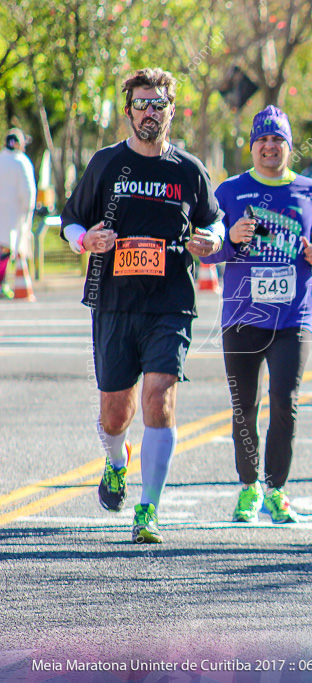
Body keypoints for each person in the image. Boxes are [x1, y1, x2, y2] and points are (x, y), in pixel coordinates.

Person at [60, 67, 224, 543]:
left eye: (159, 104)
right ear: (128, 111)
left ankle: (148, 509)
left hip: (170, 302)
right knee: (116, 412)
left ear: (172, 110)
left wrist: (209, 241)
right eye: (141, 104)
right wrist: (85, 240)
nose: (150, 112)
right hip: (114, 301)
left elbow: (213, 222)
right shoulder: (107, 164)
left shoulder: (189, 170)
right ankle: (117, 462)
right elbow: (70, 220)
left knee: (159, 397)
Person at [199, 106, 312, 524]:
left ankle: (276, 489)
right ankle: (248, 487)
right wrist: (231, 242)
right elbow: (209, 250)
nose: (269, 147)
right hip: (242, 317)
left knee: (285, 402)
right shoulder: (229, 191)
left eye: (277, 140)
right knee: (244, 405)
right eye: (262, 140)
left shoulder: (310, 192)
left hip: (293, 319)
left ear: (288, 147)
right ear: (252, 147)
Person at [0, 128, 36, 298]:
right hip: (15, 215)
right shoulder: (22, 162)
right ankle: (2, 284)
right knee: (7, 249)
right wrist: (28, 213)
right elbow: (28, 192)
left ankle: (3, 283)